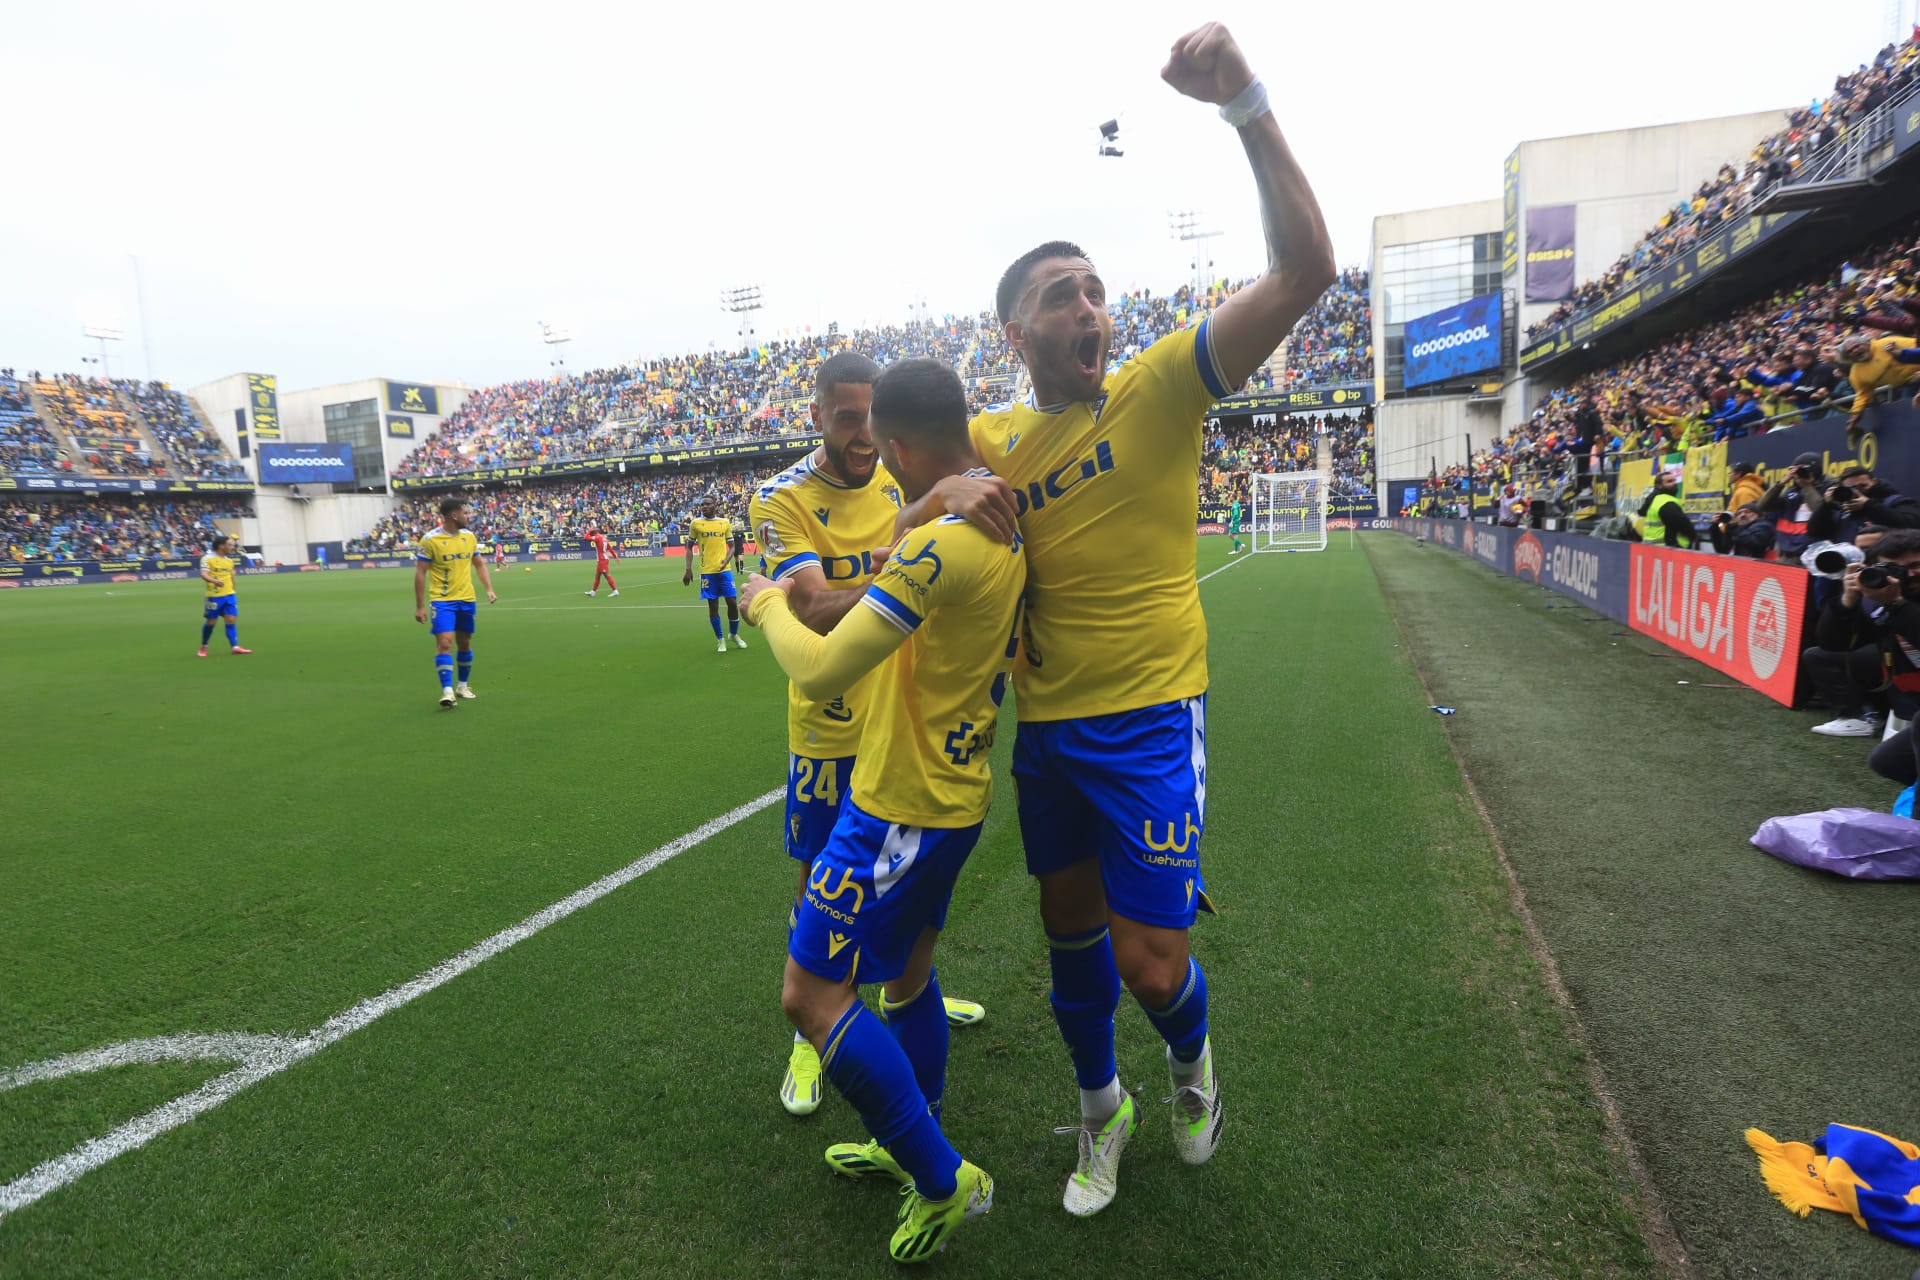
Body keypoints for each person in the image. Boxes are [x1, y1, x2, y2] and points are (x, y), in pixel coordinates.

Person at [898, 21, 1334, 1216]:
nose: (1090, 308)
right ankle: (1103, 1113)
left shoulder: (1159, 387)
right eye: (1060, 296)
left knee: (1152, 961)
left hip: (1146, 722)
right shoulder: (993, 440)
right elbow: (892, 473)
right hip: (1045, 730)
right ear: (1017, 334)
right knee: (1068, 939)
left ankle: (1190, 1069)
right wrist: (932, 490)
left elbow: (1305, 274)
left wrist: (1244, 102)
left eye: (1096, 289)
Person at [740, 359, 1026, 1263]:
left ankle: (943, 1181)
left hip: (899, 804)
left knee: (811, 993)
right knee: (904, 970)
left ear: (898, 444)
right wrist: (920, 509)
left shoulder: (941, 543)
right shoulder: (986, 519)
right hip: (950, 789)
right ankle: (915, 1140)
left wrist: (763, 607)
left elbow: (820, 660)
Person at [1815, 529, 1920, 780]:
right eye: (1895, 568)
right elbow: (1832, 643)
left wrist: (1896, 605)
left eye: (1916, 565)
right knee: (1886, 761)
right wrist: (1848, 600)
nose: (1909, 574)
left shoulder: (1894, 601)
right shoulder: (1883, 598)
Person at [1802, 524, 1891, 736]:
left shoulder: (1907, 579)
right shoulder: (1862, 581)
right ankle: (1858, 715)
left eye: (1874, 549)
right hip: (1884, 654)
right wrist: (1847, 600)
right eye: (1862, 550)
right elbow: (1830, 641)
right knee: (1817, 655)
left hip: (1906, 653)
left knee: (1863, 657)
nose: (1867, 556)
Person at [414, 497, 495, 709]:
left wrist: (489, 589)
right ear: (454, 515)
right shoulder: (430, 540)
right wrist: (420, 605)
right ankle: (447, 691)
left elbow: (479, 564)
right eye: (465, 513)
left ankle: (462, 686)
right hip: (442, 601)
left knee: (465, 642)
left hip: (467, 599)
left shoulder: (469, 537)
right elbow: (420, 572)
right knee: (445, 643)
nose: (468, 517)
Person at [683, 495, 746, 652]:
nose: (704, 506)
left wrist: (726, 560)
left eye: (707, 504)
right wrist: (688, 569)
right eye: (702, 504)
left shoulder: (724, 523)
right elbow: (689, 547)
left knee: (732, 602)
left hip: (724, 570)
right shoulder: (696, 524)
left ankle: (733, 634)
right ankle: (720, 639)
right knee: (713, 605)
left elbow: (732, 546)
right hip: (707, 571)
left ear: (715, 506)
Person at [197, 534, 252, 657]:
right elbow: (204, 574)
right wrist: (214, 581)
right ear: (221, 546)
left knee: (231, 619)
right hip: (214, 596)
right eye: (230, 545)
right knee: (211, 622)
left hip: (230, 595)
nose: (232, 547)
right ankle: (204, 646)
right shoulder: (207, 559)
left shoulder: (229, 561)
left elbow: (231, 576)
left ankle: (235, 646)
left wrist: (234, 589)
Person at [1639, 467, 1695, 548]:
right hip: (1669, 549)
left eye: (1674, 480)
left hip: (1653, 548)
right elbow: (1684, 525)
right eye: (1669, 481)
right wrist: (1693, 536)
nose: (1674, 483)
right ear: (1659, 486)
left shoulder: (1654, 499)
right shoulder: (1667, 502)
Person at [1708, 504, 1777, 558]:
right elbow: (1722, 550)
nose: (1742, 515)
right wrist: (1715, 527)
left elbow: (1755, 543)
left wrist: (1734, 527)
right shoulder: (1738, 528)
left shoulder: (1763, 525)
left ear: (1758, 515)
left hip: (1757, 567)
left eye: (1747, 512)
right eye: (1739, 513)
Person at [583, 527, 620, 598]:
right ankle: (593, 592)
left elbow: (585, 537)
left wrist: (590, 530)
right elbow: (610, 549)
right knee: (597, 576)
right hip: (603, 559)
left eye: (592, 534)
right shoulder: (604, 538)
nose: (592, 535)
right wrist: (615, 557)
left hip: (602, 560)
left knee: (607, 575)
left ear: (594, 533)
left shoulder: (597, 538)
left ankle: (615, 591)